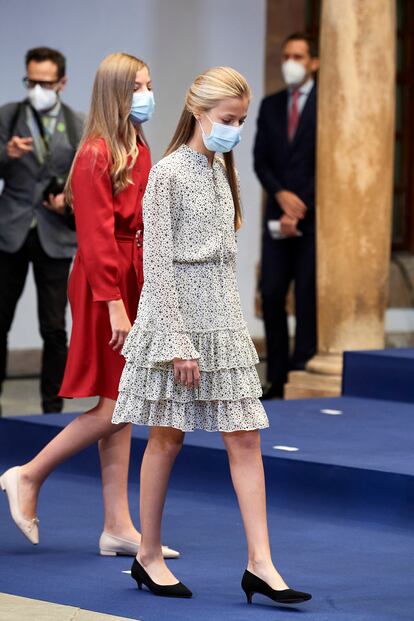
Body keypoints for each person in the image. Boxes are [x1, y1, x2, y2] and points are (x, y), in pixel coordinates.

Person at [112, 66, 311, 605]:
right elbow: (158, 262)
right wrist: (177, 339)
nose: (235, 130)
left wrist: (233, 328)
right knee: (165, 438)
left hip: (223, 320)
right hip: (176, 319)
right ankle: (147, 556)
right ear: (198, 112)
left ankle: (261, 564)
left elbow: (223, 256)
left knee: (246, 439)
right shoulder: (168, 173)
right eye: (228, 119)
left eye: (242, 120)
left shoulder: (224, 168)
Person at [0, 53, 179, 560]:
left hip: (133, 275)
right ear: (116, 94)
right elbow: (98, 240)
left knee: (117, 401)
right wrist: (116, 307)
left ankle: (118, 526)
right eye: (138, 86)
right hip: (107, 284)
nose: (147, 93)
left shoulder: (136, 145)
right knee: (119, 403)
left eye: (150, 83)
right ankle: (27, 475)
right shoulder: (96, 153)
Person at [0, 47, 84, 414]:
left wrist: (68, 198)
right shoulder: (9, 115)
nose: (37, 88)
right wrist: (7, 154)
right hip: (11, 231)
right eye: (31, 81)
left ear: (62, 83)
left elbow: (87, 177)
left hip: (55, 234)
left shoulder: (77, 122)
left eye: (45, 82)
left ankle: (52, 409)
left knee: (54, 328)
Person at [254, 33, 319, 399]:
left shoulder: (327, 104)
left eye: (298, 56)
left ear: (314, 63)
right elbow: (260, 160)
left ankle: (301, 367)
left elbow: (329, 163)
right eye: (286, 55)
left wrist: (301, 204)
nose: (290, 62)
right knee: (273, 292)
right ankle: (277, 376)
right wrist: (281, 195)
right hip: (277, 215)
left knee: (307, 293)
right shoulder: (271, 105)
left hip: (312, 218)